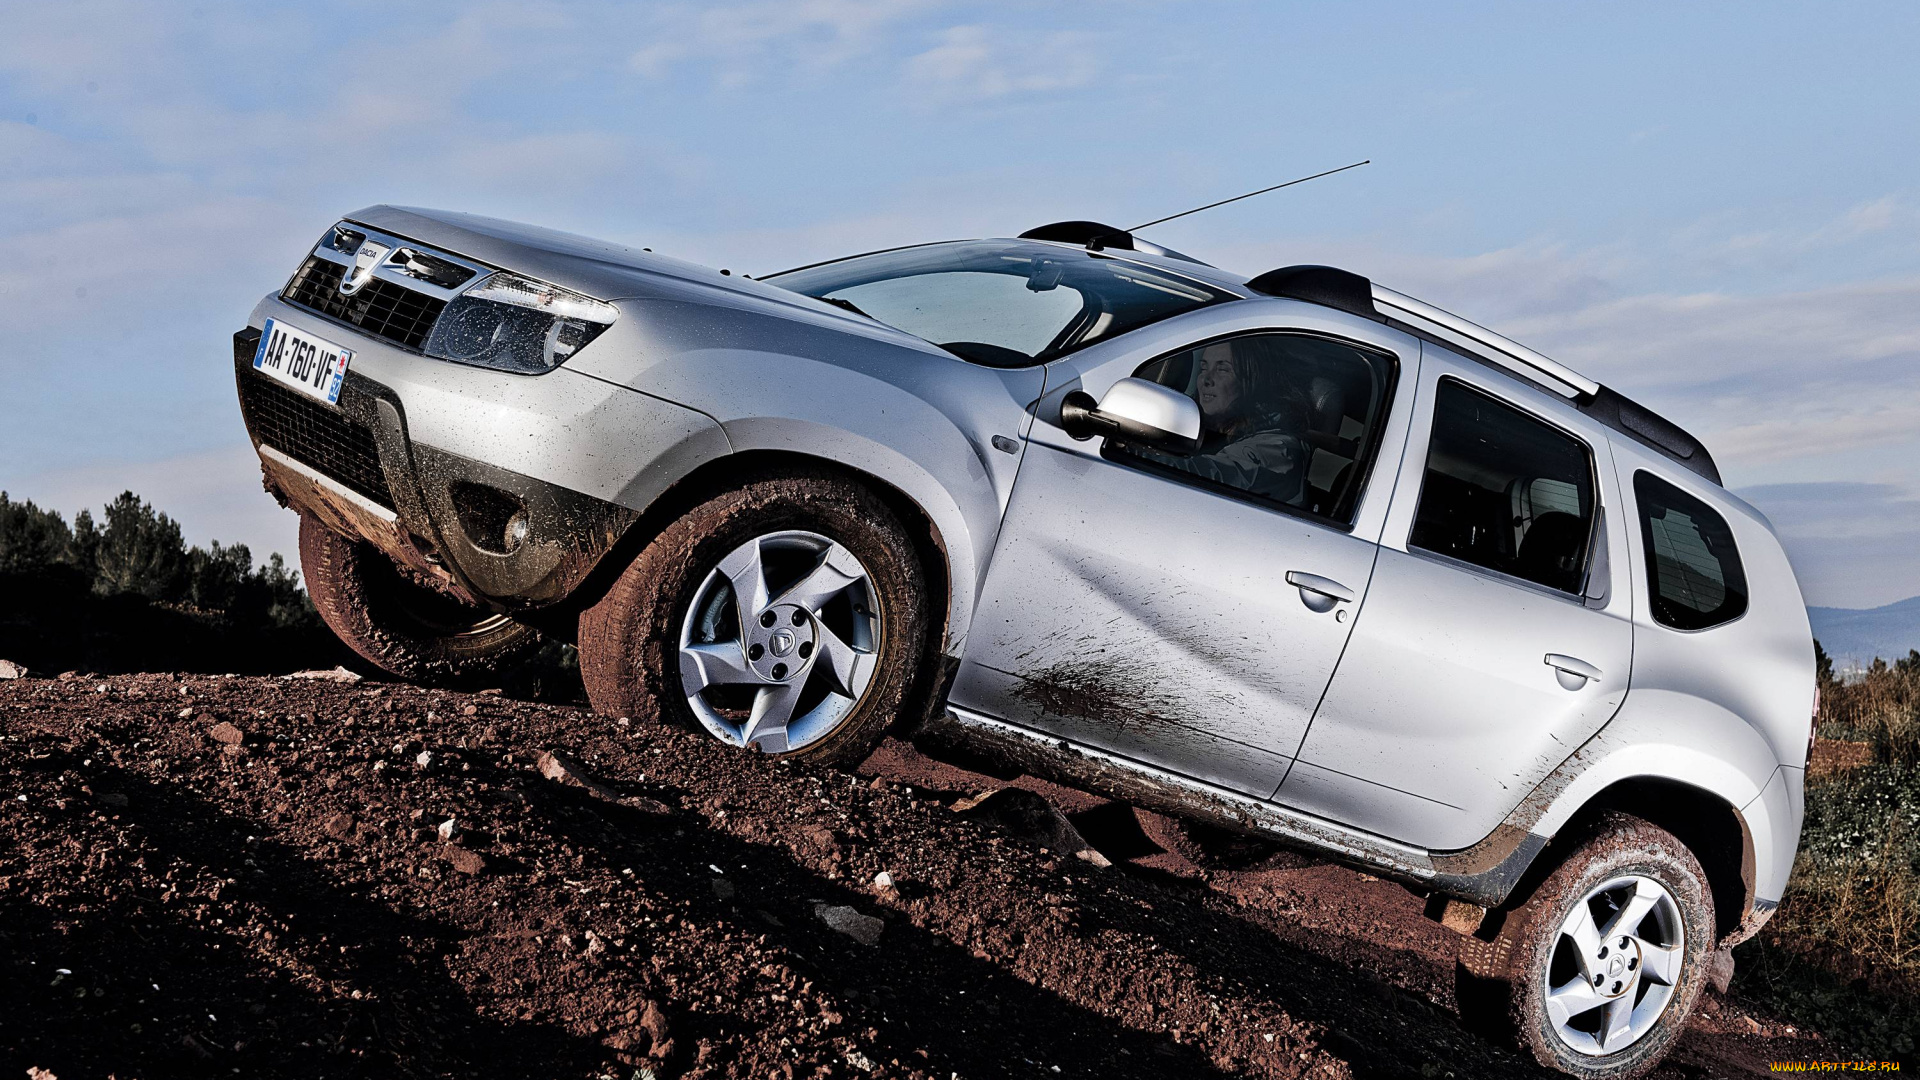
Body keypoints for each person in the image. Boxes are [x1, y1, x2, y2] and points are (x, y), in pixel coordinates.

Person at [1133, 341, 1309, 505]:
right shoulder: (1211, 428)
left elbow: (1203, 476)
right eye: (1203, 368)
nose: (1205, 380)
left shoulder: (1275, 448)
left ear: (1252, 380)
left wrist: (1128, 451)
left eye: (1222, 370)